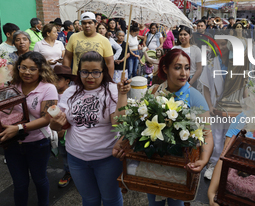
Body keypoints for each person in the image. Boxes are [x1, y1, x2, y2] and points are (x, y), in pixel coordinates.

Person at [113, 49, 213, 206]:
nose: (184, 73)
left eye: (187, 68)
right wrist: (123, 140)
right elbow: (138, 124)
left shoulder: (195, 97)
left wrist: (203, 159)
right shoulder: (154, 91)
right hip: (153, 161)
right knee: (153, 202)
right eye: (177, 67)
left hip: (180, 166)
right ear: (165, 68)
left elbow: (207, 134)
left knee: (176, 202)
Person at [50, 51, 130, 206]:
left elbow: (118, 123)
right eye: (85, 72)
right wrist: (55, 123)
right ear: (79, 72)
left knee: (110, 199)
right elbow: (56, 125)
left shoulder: (112, 89)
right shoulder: (71, 92)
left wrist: (122, 95)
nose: (90, 77)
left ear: (103, 72)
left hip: (107, 159)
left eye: (95, 72)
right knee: (89, 199)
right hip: (76, 158)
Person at [0, 51, 58, 206]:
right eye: (23, 67)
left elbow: (47, 119)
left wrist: (18, 128)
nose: (27, 72)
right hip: (12, 143)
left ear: (41, 69)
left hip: (37, 144)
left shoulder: (48, 89)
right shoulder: (12, 85)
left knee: (40, 180)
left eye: (32, 69)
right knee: (19, 184)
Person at [200, 38, 229, 180]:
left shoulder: (237, 64)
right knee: (216, 136)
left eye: (224, 43)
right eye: (219, 44)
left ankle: (226, 167)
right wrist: (210, 106)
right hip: (216, 106)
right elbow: (205, 87)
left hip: (233, 107)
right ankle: (212, 164)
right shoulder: (212, 63)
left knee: (229, 137)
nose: (221, 47)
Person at [63, 12, 115, 78]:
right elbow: (67, 57)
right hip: (77, 78)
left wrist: (109, 82)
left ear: (96, 24)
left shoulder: (104, 40)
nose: (87, 25)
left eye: (90, 23)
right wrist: (66, 77)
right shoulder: (74, 37)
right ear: (81, 25)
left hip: (96, 79)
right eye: (84, 23)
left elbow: (110, 63)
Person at [53, 65, 76, 188]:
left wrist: (63, 128)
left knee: (72, 153)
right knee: (63, 153)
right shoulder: (51, 93)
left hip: (70, 131)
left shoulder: (72, 94)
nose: (55, 81)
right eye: (53, 78)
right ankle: (68, 172)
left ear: (67, 81)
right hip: (56, 130)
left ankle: (78, 174)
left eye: (59, 78)